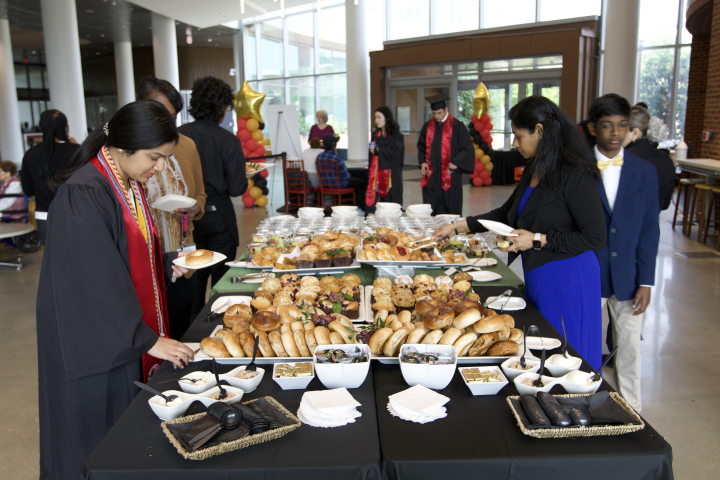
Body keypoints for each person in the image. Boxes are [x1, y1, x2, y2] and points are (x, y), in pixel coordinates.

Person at [36, 101, 195, 480]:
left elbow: (126, 255)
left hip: (118, 331)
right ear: (123, 147)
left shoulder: (125, 182)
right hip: (94, 343)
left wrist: (168, 264)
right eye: (154, 158)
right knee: (97, 441)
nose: (159, 168)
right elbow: (90, 280)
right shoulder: (84, 192)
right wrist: (144, 339)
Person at [432, 95, 607, 369]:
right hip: (540, 272)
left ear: (539, 131)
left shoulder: (575, 173)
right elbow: (506, 213)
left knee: (569, 356)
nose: (515, 144)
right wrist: (457, 226)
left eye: (518, 136)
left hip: (569, 276)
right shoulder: (536, 167)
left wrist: (536, 239)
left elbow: (595, 236)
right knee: (543, 352)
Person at [587, 94, 660, 412]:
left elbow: (649, 230)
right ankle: (583, 404)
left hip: (630, 276)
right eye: (607, 126)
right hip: (590, 271)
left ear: (630, 128)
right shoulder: (579, 168)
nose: (615, 133)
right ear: (593, 128)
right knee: (585, 344)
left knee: (630, 347)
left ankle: (633, 411)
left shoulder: (645, 171)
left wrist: (647, 281)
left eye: (622, 126)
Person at [137, 75, 208, 340]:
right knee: (150, 329)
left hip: (182, 252)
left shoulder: (186, 145)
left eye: (173, 115)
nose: (168, 122)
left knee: (180, 323)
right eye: (161, 114)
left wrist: (194, 209)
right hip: (146, 257)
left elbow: (200, 193)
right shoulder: (132, 152)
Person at [178, 76, 248, 318]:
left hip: (185, 217)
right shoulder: (227, 140)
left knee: (192, 279)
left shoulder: (177, 136)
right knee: (221, 285)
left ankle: (190, 332)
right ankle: (215, 331)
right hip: (219, 215)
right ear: (221, 107)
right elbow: (238, 187)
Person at [19, 110, 80, 242]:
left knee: (52, 261)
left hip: (43, 218)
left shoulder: (30, 154)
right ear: (66, 128)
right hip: (76, 214)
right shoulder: (76, 151)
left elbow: (28, 190)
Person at [417, 93, 474, 215]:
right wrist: (423, 161)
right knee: (430, 207)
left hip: (450, 174)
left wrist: (456, 162)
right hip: (431, 175)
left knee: (450, 207)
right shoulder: (427, 126)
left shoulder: (457, 126)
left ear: (446, 109)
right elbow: (421, 146)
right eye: (434, 113)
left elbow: (467, 148)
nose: (436, 116)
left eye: (439, 113)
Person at [623, 105, 676, 211]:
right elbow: (665, 204)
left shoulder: (624, 159)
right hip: (652, 225)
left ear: (635, 133)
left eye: (621, 128)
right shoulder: (666, 160)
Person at [367, 106, 404, 213]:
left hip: (392, 175)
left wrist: (378, 150)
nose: (376, 120)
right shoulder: (375, 135)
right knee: (378, 206)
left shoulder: (396, 135)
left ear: (386, 118)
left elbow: (397, 154)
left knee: (392, 204)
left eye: (379, 117)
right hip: (376, 175)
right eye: (375, 118)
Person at [317, 134, 366, 209]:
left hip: (325, 185)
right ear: (334, 145)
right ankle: (361, 208)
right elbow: (346, 177)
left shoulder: (319, 157)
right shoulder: (338, 158)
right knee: (362, 183)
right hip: (338, 185)